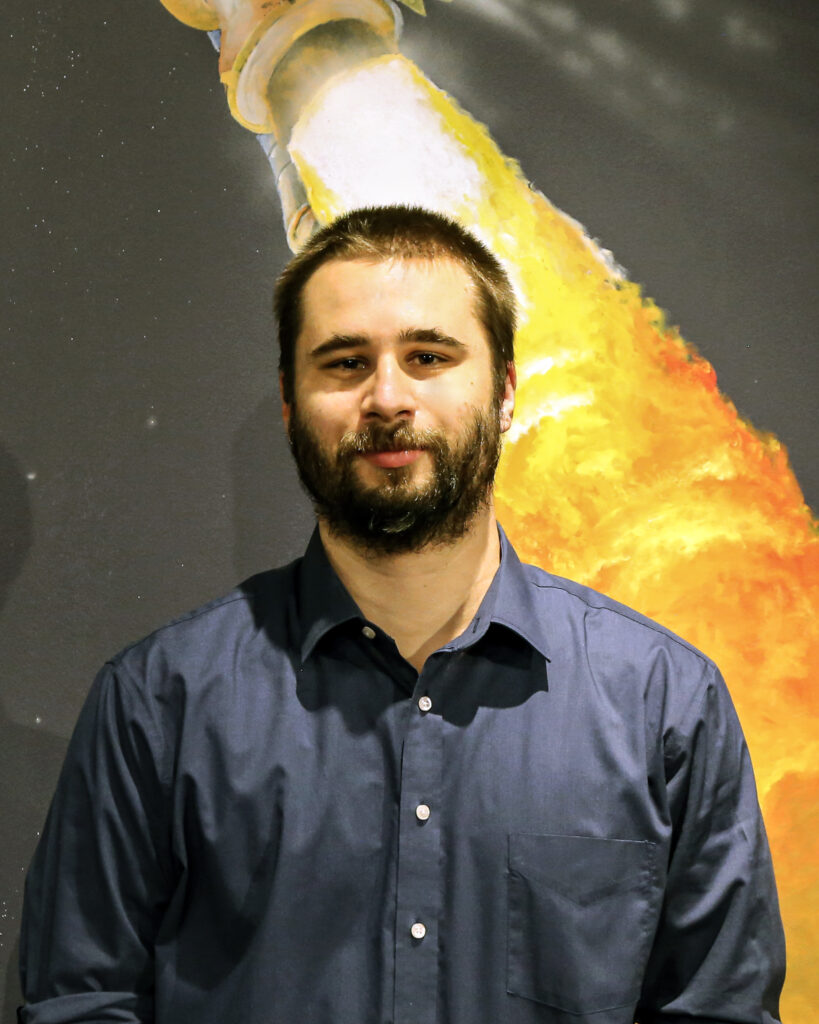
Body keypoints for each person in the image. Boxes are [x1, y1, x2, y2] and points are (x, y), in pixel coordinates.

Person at [19, 206, 785, 1024]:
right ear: (289, 401)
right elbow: (81, 1002)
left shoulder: (663, 703)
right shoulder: (158, 702)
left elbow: (720, 1009)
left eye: (428, 357)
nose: (387, 397)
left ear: (504, 393)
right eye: (344, 363)